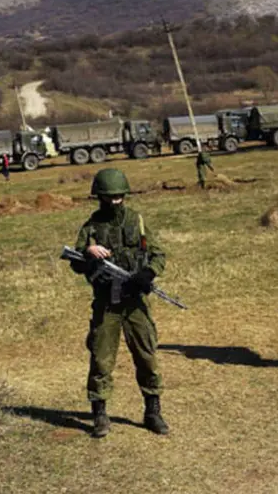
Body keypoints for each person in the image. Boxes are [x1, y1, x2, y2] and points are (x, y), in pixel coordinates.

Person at [69, 168, 169, 438]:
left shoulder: (137, 221)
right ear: (99, 197)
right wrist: (88, 253)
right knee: (101, 360)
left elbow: (158, 253)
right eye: (108, 197)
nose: (114, 202)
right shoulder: (91, 226)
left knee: (147, 357)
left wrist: (147, 273)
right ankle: (100, 414)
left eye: (118, 197)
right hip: (106, 304)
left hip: (135, 303)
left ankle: (152, 411)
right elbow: (75, 261)